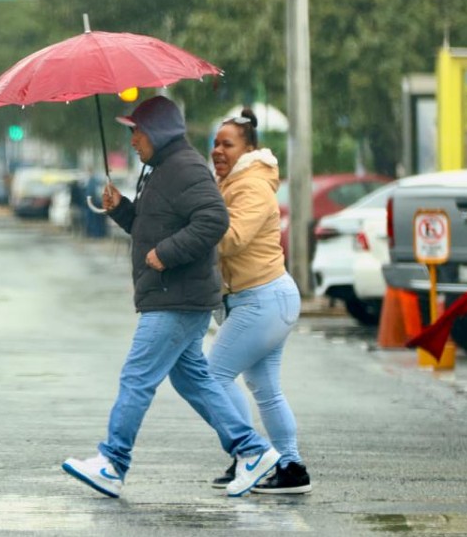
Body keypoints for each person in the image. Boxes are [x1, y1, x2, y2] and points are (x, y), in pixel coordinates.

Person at [61, 95, 280, 498]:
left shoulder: (183, 167)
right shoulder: (163, 168)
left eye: (137, 132)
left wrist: (166, 254)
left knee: (137, 377)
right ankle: (252, 451)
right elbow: (155, 227)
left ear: (158, 131)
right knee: (193, 380)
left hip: (176, 297)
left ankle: (112, 461)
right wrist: (122, 210)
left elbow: (214, 219)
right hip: (174, 295)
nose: (133, 141)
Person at [206, 108, 310, 494]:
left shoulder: (250, 186)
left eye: (227, 144)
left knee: (213, 376)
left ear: (248, 149)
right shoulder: (233, 182)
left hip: (263, 299)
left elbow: (231, 239)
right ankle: (291, 467)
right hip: (265, 299)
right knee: (265, 390)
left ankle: (252, 454)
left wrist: (192, 233)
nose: (218, 150)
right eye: (215, 143)